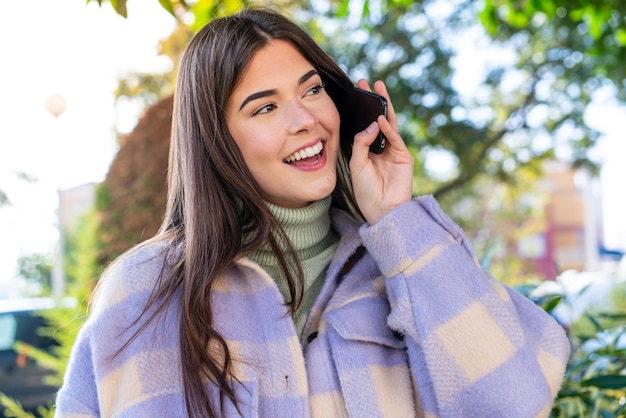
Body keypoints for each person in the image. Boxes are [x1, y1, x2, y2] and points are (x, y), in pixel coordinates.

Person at [55, 7, 570, 418]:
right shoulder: (142, 291)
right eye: (265, 107)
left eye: (313, 90)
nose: (306, 119)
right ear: (215, 142)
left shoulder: (406, 264)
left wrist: (397, 220)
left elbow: (513, 404)